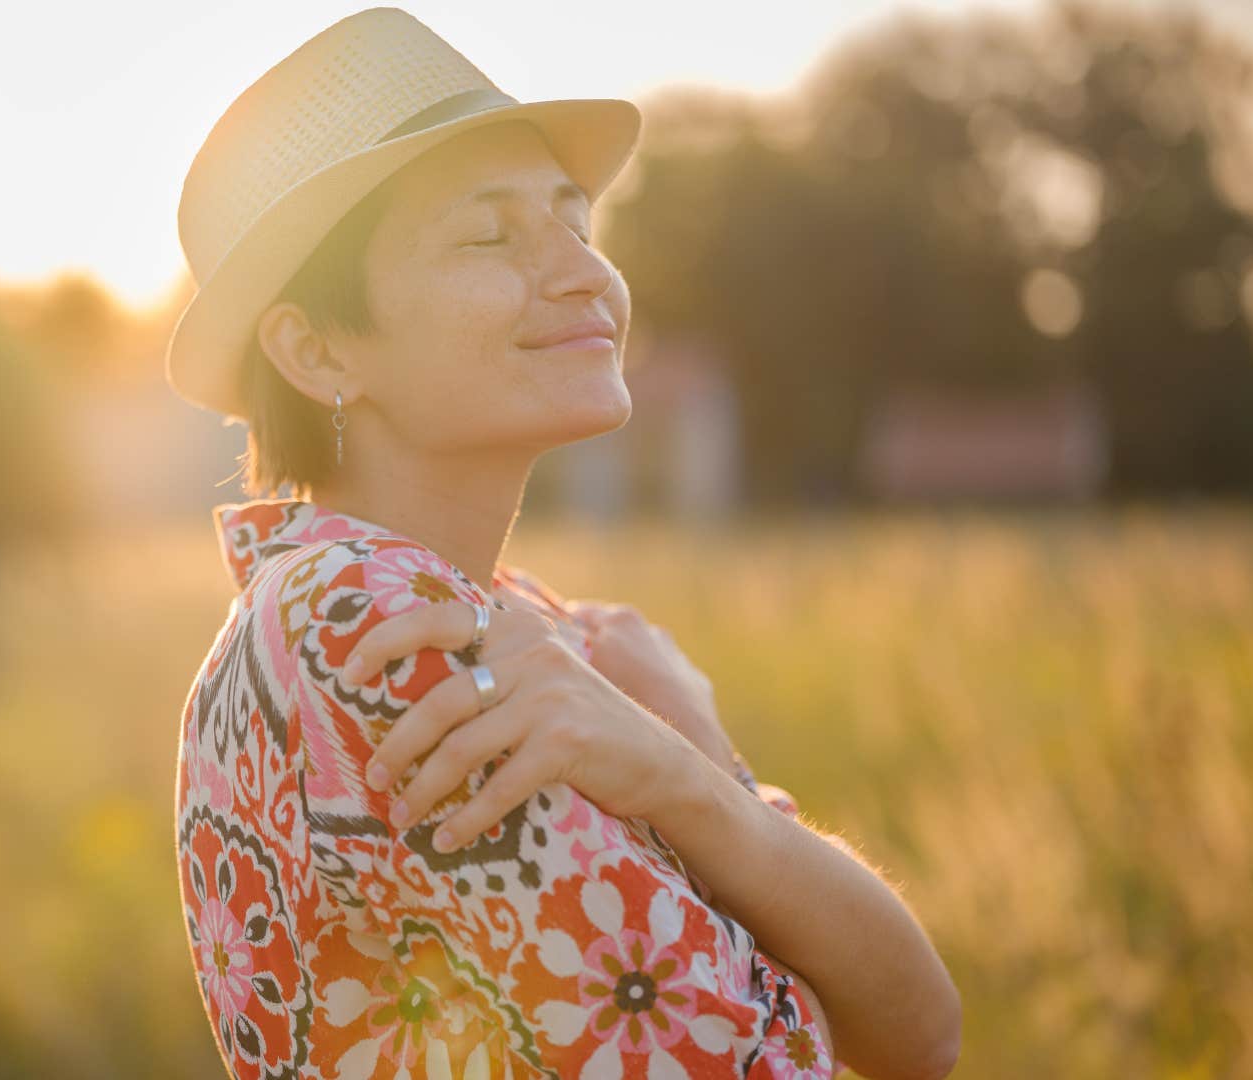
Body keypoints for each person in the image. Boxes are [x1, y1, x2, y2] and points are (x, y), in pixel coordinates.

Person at [167, 9, 961, 1078]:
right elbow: (792, 1060)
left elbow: (915, 1039)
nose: (585, 274)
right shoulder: (372, 620)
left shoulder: (499, 621)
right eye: (488, 235)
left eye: (576, 223)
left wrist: (691, 767)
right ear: (315, 346)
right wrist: (695, 773)